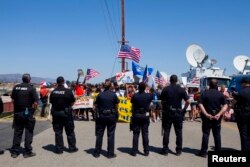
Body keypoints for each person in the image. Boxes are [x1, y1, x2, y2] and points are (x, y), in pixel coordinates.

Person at [196, 79, 228, 157]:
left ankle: (203, 152)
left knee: (206, 134)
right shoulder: (220, 94)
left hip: (207, 117)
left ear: (209, 85)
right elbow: (226, 105)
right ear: (217, 85)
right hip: (217, 117)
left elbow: (200, 104)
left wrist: (206, 114)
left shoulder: (204, 93)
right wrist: (219, 114)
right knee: (217, 135)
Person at [160, 75, 190, 156]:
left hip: (168, 112)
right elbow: (188, 101)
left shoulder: (166, 89)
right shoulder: (181, 89)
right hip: (178, 113)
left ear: (170, 80)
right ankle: (178, 150)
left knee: (166, 131)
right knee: (179, 132)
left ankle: (165, 150)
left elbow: (162, 101)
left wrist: (165, 107)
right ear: (176, 80)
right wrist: (184, 110)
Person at [10, 74, 39, 158]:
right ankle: (27, 152)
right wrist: (32, 111)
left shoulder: (16, 87)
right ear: (29, 80)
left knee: (17, 132)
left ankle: (15, 152)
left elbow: (12, 99)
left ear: (22, 79)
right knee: (28, 132)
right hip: (28, 113)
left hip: (18, 113)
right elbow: (36, 102)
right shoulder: (31, 88)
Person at [50, 76, 78, 154]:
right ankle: (72, 148)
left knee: (58, 132)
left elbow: (51, 102)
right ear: (63, 82)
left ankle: (59, 149)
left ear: (57, 82)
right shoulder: (68, 91)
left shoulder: (53, 92)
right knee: (69, 131)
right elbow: (72, 102)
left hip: (56, 113)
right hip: (66, 113)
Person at [93, 81, 119, 159]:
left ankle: (97, 152)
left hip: (101, 116)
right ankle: (110, 153)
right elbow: (117, 105)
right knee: (111, 135)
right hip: (111, 116)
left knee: (99, 134)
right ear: (110, 86)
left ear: (103, 86)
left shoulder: (100, 95)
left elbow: (95, 105)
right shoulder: (113, 95)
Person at [130, 82, 153, 156]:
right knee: (145, 133)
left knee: (136, 134)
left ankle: (134, 151)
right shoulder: (148, 95)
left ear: (138, 87)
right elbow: (150, 101)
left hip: (136, 115)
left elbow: (132, 103)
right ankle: (146, 151)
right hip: (145, 115)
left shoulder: (135, 96)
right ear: (145, 88)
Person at [233, 78, 250, 151]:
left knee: (243, 134)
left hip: (243, 114)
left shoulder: (241, 92)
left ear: (244, 83)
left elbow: (235, 102)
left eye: (241, 84)